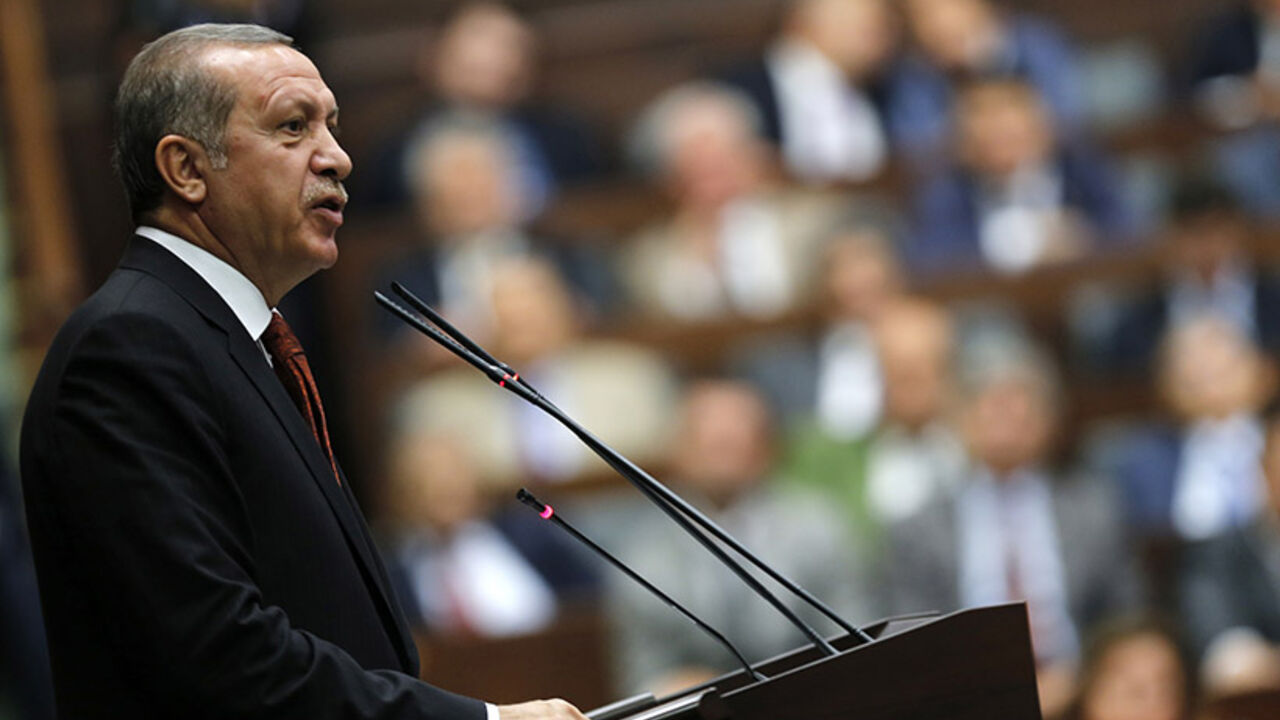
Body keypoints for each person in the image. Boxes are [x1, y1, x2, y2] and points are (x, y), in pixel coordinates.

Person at [19, 24, 586, 720]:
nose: (339, 159)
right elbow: (218, 654)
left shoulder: (234, 336)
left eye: (333, 127)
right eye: (294, 127)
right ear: (187, 169)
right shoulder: (129, 350)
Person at [888, 336, 1140, 717]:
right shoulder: (920, 528)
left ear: (1049, 419)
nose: (1004, 415)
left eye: (1019, 402)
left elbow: (1126, 615)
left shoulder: (1093, 510)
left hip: (1080, 694)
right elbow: (908, 639)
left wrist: (1078, 679)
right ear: (959, 419)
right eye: (988, 402)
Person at [606, 380, 870, 695]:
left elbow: (855, 643)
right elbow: (643, 678)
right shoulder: (644, 554)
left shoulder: (820, 528)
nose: (723, 454)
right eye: (711, 444)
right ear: (678, 453)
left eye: (733, 442)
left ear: (766, 449)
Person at [719, 0, 898, 183]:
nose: (879, 34)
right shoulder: (739, 94)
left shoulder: (882, 92)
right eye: (859, 23)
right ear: (803, 20)